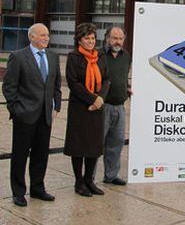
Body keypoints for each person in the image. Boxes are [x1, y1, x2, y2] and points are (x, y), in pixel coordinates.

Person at [2, 23, 62, 207]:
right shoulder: (18, 57)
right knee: (20, 155)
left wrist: (56, 106)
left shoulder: (53, 56)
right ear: (32, 37)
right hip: (25, 116)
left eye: (47, 35)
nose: (46, 38)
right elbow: (9, 87)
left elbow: (56, 85)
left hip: (45, 116)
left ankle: (38, 189)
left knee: (41, 154)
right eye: (42, 35)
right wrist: (17, 110)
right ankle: (19, 192)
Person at [64, 23, 109, 197]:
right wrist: (93, 99)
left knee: (94, 145)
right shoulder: (73, 57)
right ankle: (79, 182)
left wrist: (100, 99)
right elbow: (73, 84)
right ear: (79, 40)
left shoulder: (100, 56)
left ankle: (89, 180)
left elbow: (107, 80)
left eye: (92, 38)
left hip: (97, 107)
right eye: (86, 38)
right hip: (80, 108)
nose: (90, 41)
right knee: (79, 146)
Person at [100, 26, 131, 186]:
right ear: (107, 38)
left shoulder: (126, 56)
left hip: (120, 106)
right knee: (97, 143)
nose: (117, 41)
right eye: (114, 38)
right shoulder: (99, 55)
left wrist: (127, 88)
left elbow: (124, 77)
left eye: (120, 38)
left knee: (116, 142)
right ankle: (88, 178)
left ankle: (111, 175)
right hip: (103, 106)